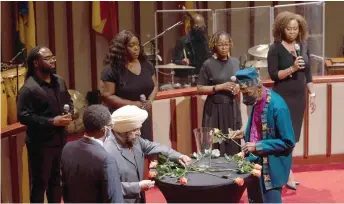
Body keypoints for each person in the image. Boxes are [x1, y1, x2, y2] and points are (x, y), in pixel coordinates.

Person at [17, 46, 73, 203]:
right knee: (40, 184)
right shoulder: (28, 89)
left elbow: (68, 100)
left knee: (57, 182)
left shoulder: (59, 81)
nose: (52, 60)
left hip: (60, 140)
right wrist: (51, 122)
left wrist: (70, 112)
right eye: (47, 58)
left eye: (53, 57)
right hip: (40, 144)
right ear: (36, 63)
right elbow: (23, 116)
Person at [267, 11, 316, 190]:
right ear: (282, 28)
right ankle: (286, 173)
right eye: (289, 29)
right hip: (282, 98)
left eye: (295, 28)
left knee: (293, 137)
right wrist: (292, 68)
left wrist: (312, 94)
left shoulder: (303, 46)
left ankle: (285, 170)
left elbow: (308, 73)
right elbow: (274, 75)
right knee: (283, 135)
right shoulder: (275, 48)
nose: (292, 32)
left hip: (299, 98)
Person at [104, 105, 192, 203]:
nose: (139, 133)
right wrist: (137, 187)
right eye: (135, 129)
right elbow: (108, 188)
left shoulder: (134, 139)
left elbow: (153, 146)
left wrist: (179, 156)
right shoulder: (107, 152)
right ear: (123, 131)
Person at [234, 67, 295, 203]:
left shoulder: (278, 106)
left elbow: (288, 142)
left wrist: (257, 146)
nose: (244, 96)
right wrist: (244, 134)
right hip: (254, 163)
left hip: (271, 167)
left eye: (246, 92)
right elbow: (260, 129)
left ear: (259, 86)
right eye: (242, 92)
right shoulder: (256, 101)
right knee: (254, 201)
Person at [101, 30, 158, 142]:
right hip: (122, 120)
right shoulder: (111, 70)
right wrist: (133, 104)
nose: (136, 48)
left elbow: (155, 86)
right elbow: (107, 96)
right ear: (122, 48)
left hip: (142, 117)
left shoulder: (147, 65)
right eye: (131, 45)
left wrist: (150, 101)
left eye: (137, 44)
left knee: (144, 149)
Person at [60, 105, 123, 203]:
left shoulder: (68, 148)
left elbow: (64, 189)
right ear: (105, 129)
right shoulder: (106, 160)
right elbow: (115, 200)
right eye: (111, 126)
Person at [197, 31, 243, 156]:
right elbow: (200, 88)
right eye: (220, 44)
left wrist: (239, 87)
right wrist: (219, 87)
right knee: (215, 144)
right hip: (214, 110)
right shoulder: (208, 64)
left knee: (232, 141)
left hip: (232, 108)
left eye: (226, 44)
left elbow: (241, 83)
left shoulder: (235, 62)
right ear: (214, 45)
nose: (224, 47)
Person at [172, 13, 212, 85]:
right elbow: (174, 60)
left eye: (203, 27)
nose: (202, 29)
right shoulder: (183, 41)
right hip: (188, 78)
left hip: (205, 77)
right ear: (192, 27)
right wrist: (182, 61)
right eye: (199, 28)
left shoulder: (207, 41)